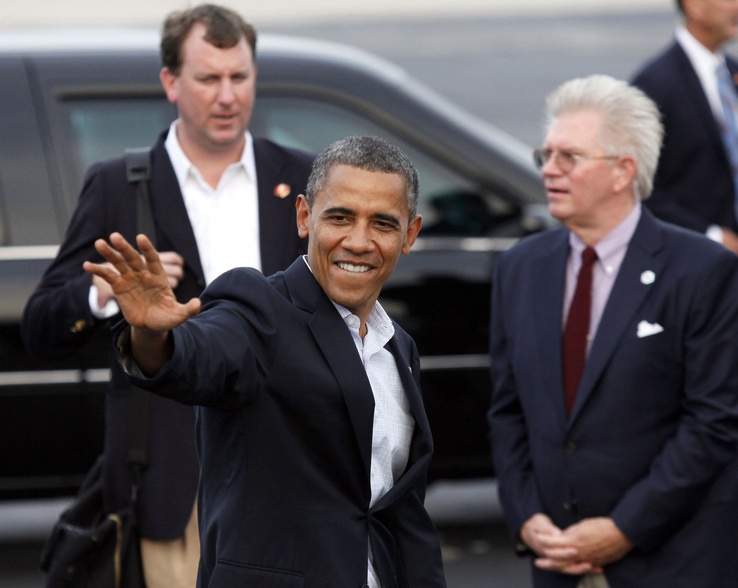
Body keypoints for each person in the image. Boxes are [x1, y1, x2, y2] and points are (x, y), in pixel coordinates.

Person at [21, 5, 313, 587]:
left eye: (240, 76)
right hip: (175, 487)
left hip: (290, 475)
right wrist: (104, 295)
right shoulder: (119, 185)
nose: (227, 96)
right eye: (208, 78)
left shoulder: (303, 177)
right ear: (170, 83)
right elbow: (40, 326)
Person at [83, 135, 447, 588]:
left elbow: (400, 512)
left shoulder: (399, 348)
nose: (359, 241)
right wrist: (154, 336)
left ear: (409, 234)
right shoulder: (260, 309)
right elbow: (203, 354)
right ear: (303, 216)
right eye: (340, 217)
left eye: (382, 224)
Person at [487, 75, 738, 588]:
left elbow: (714, 423)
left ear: (622, 171)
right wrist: (527, 516)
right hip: (559, 563)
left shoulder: (703, 271)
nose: (549, 170)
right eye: (546, 155)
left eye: (569, 157)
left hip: (681, 564)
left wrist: (625, 528)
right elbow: (509, 411)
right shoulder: (520, 268)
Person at [630, 0, 738, 503]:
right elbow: (642, 191)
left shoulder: (736, 74)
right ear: (693, 5)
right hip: (692, 276)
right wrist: (713, 235)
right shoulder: (655, 83)